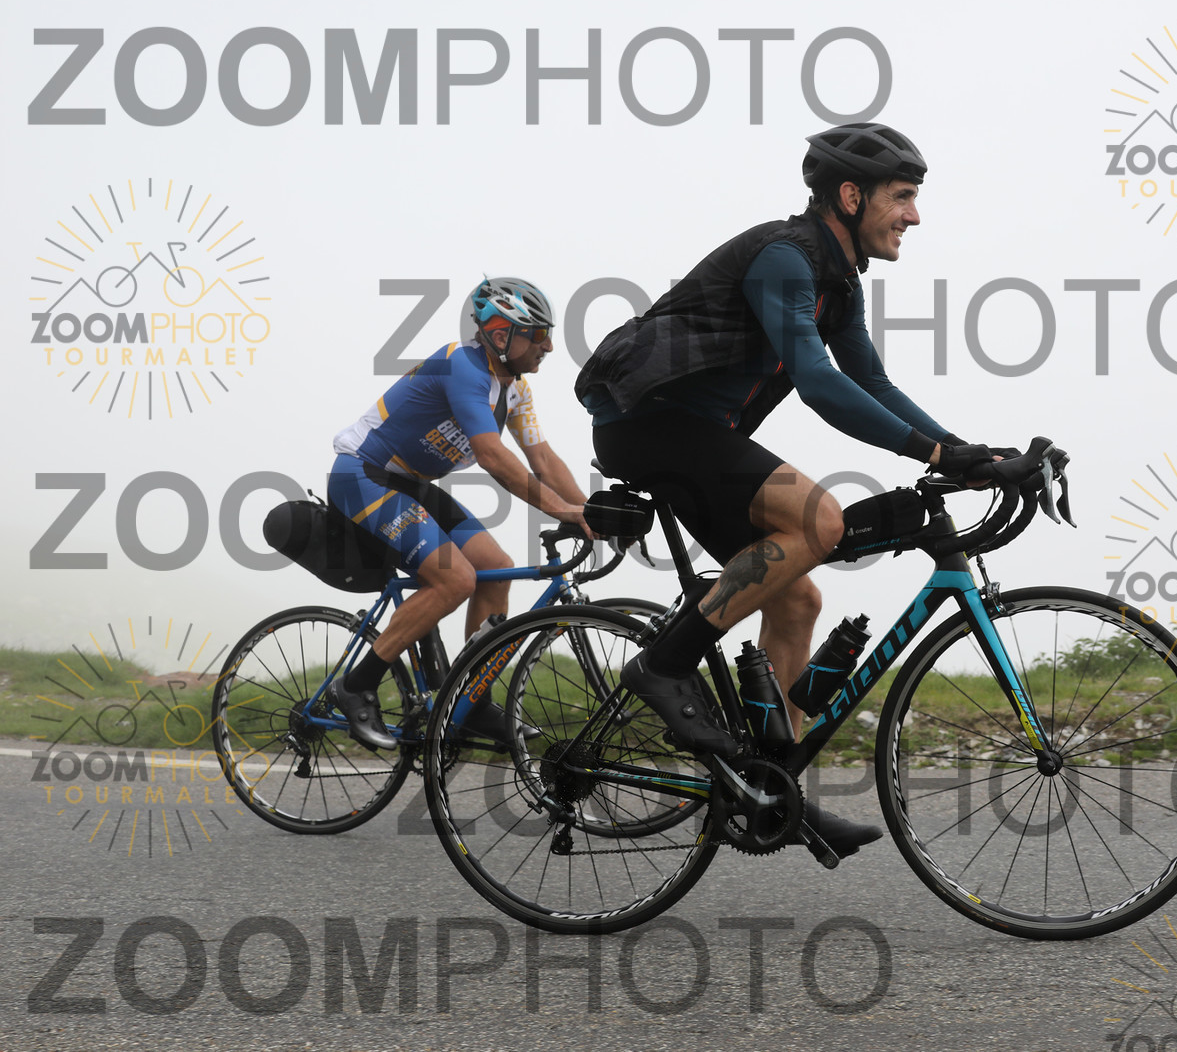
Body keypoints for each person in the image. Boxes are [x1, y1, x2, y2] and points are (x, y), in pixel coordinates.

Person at [574, 123, 998, 857]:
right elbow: (819, 383)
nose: (914, 216)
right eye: (902, 197)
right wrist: (935, 452)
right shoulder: (786, 258)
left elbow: (872, 383)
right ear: (850, 195)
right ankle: (661, 666)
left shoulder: (839, 283)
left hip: (695, 433)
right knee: (818, 521)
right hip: (650, 423)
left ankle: (775, 787)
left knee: (798, 597)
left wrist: (969, 455)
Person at [327, 276, 593, 750]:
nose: (549, 346)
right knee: (456, 579)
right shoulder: (462, 366)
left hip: (409, 484)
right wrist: (564, 512)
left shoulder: (515, 391)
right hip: (363, 475)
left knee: (496, 568)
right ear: (500, 335)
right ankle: (355, 685)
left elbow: (543, 459)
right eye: (538, 334)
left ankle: (470, 702)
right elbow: (492, 456)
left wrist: (591, 511)